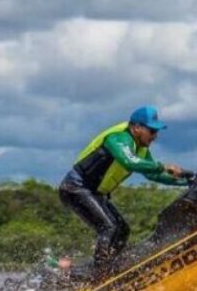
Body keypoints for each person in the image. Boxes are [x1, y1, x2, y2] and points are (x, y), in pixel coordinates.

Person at [58, 105, 189, 280]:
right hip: (75, 188)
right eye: (151, 131)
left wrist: (185, 182)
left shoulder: (141, 147)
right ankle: (100, 275)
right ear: (136, 128)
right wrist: (163, 165)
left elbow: (152, 174)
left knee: (122, 230)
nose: (155, 136)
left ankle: (104, 269)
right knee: (109, 228)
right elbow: (130, 162)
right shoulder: (118, 138)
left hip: (95, 193)